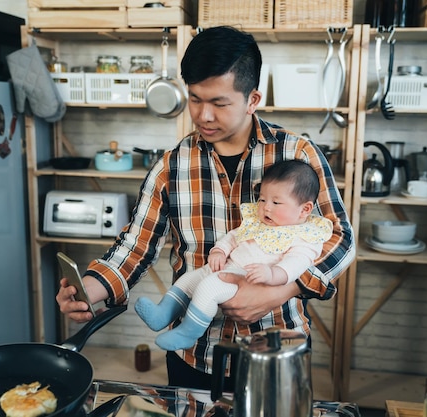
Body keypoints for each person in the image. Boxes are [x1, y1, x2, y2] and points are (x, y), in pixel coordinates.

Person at [56, 25, 355, 390]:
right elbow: (133, 247)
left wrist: (281, 291)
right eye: (196, 99)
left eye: (219, 102)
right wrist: (88, 289)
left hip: (277, 348)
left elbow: (340, 239)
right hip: (195, 353)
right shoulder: (172, 165)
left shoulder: (297, 155)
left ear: (252, 99)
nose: (203, 115)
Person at [134, 160, 333, 351]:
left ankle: (188, 333)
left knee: (207, 289)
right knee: (187, 280)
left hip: (245, 280)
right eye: (262, 199)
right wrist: (219, 250)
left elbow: (297, 263)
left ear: (304, 209)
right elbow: (234, 236)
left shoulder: (305, 236)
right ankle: (162, 314)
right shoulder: (258, 222)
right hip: (225, 267)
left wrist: (273, 274)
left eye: (276, 202)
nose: (266, 207)